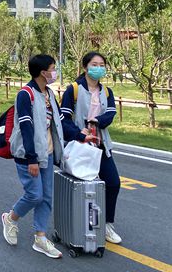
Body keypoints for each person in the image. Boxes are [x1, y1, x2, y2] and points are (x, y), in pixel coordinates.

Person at [1, 54, 64, 259]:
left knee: (46, 197)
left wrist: (80, 136)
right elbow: (26, 128)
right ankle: (11, 218)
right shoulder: (25, 94)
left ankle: (40, 238)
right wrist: (31, 159)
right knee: (34, 195)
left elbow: (59, 122)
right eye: (53, 68)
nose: (55, 72)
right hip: (29, 155)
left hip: (47, 152)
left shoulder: (49, 94)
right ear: (43, 72)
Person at [60, 51, 122, 244]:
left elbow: (110, 114)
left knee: (113, 183)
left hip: (101, 146)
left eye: (102, 65)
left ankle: (107, 225)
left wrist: (97, 121)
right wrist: (79, 134)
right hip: (80, 148)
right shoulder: (73, 90)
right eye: (94, 64)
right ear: (85, 67)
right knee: (85, 188)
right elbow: (64, 118)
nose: (98, 68)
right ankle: (80, 226)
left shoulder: (107, 92)